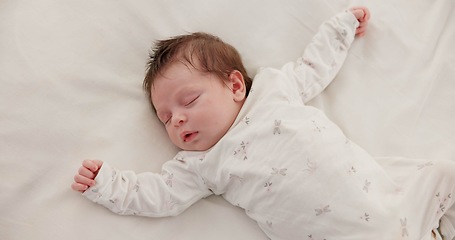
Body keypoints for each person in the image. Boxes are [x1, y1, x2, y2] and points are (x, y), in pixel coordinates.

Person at [71, 6, 455, 240]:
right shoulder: (200, 164)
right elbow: (156, 196)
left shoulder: (274, 90)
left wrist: (339, 30)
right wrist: (108, 185)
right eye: (166, 118)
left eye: (188, 101)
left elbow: (314, 67)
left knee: (443, 174)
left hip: (397, 210)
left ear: (235, 85)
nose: (178, 119)